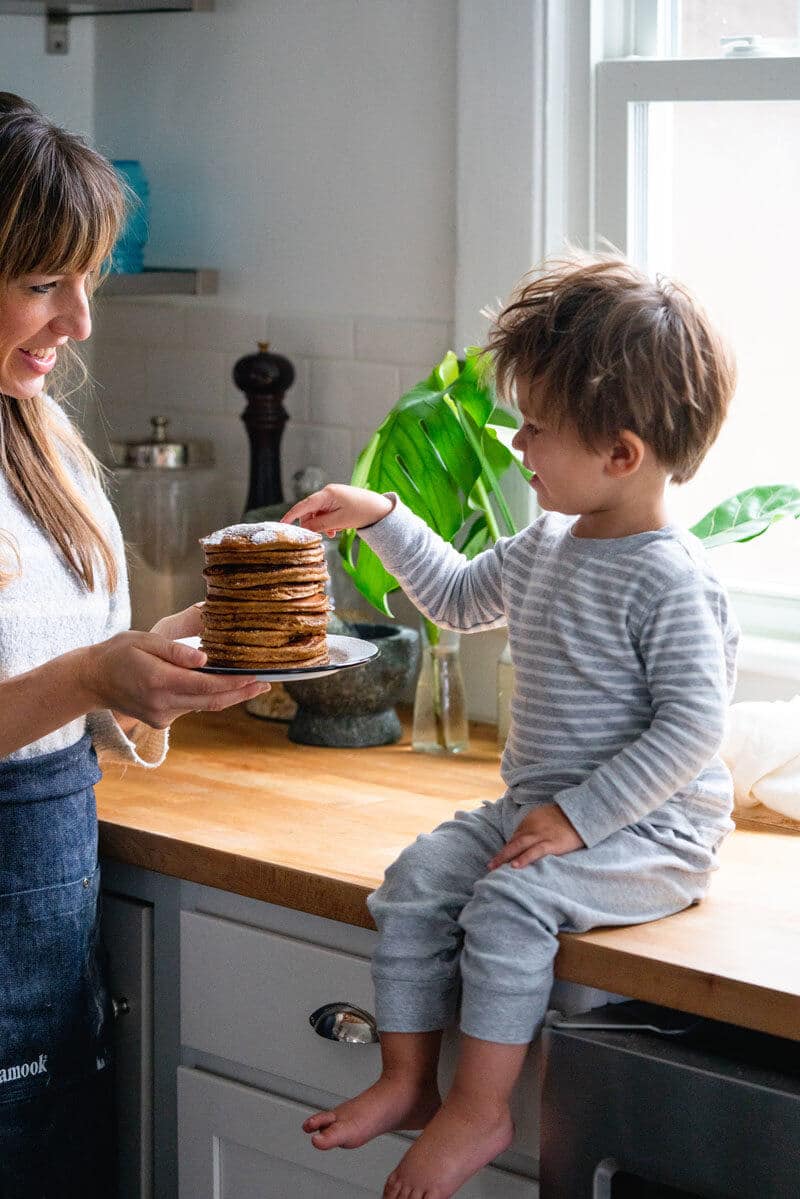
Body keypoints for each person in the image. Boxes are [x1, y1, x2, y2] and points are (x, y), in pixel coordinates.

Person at [282, 251, 739, 1199]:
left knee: (509, 904)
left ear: (621, 453)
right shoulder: (547, 542)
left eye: (536, 427)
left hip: (650, 830)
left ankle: (480, 1108)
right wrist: (380, 515)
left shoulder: (669, 576)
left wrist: (581, 819)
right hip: (540, 809)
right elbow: (454, 597)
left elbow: (694, 726)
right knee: (415, 881)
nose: (516, 442)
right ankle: (409, 1082)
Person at [0, 94, 270, 1197]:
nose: (79, 322)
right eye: (39, 283)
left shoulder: (41, 432)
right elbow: (58, 674)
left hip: (47, 882)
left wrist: (159, 656)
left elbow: (58, 660)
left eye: (89, 280)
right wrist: (90, 676)